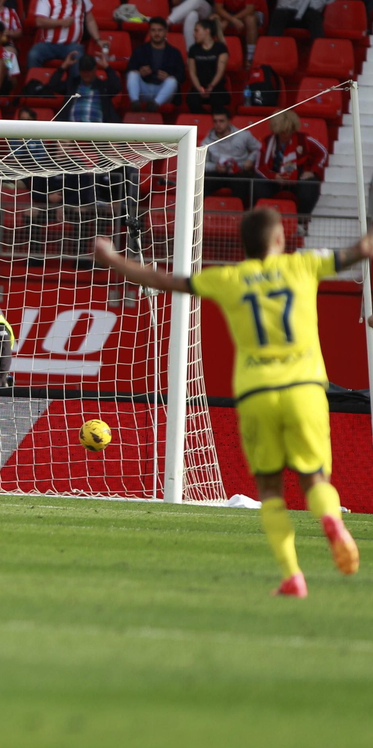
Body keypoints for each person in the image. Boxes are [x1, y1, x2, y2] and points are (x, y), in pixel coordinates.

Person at [93, 212, 363, 596]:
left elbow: (163, 280)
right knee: (315, 478)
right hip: (304, 388)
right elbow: (359, 250)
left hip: (255, 393)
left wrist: (114, 259)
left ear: (243, 246)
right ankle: (331, 522)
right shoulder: (303, 265)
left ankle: (292, 576)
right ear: (280, 241)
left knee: (270, 489)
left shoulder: (228, 279)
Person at [259, 110, 327, 214]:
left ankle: (301, 221)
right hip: (275, 177)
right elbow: (260, 166)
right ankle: (264, 218)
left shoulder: (304, 139)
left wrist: (313, 171)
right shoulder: (267, 142)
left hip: (299, 177)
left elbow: (323, 153)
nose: (286, 134)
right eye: (282, 131)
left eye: (289, 130)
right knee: (257, 185)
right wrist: (273, 177)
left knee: (310, 187)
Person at [29, 0, 97, 70]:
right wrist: (61, 22)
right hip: (48, 44)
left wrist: (98, 39)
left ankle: (75, 85)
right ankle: (34, 84)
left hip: (72, 46)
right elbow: (39, 21)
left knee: (79, 58)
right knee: (33, 54)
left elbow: (90, 20)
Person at [204, 108, 264, 205]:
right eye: (215, 121)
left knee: (243, 182)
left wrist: (250, 160)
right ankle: (205, 212)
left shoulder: (243, 135)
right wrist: (215, 167)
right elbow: (201, 164)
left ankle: (239, 214)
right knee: (201, 182)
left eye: (221, 121)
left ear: (229, 121)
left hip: (239, 172)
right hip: (217, 173)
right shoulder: (207, 141)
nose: (218, 124)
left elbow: (259, 148)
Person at [125, 17, 186, 109]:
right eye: (153, 30)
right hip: (144, 89)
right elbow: (129, 71)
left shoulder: (174, 52)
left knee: (172, 81)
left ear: (166, 32)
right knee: (133, 74)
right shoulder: (140, 50)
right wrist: (140, 72)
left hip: (163, 91)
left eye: (160, 30)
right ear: (149, 32)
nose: (156, 33)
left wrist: (168, 76)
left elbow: (182, 76)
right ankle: (135, 103)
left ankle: (155, 104)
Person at [186, 18, 230, 114]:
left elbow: (220, 71)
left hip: (216, 87)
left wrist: (211, 86)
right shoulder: (193, 49)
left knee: (217, 100)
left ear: (207, 31)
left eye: (197, 31)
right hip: (198, 87)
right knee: (191, 100)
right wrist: (200, 89)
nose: (194, 34)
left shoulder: (220, 48)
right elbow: (192, 72)